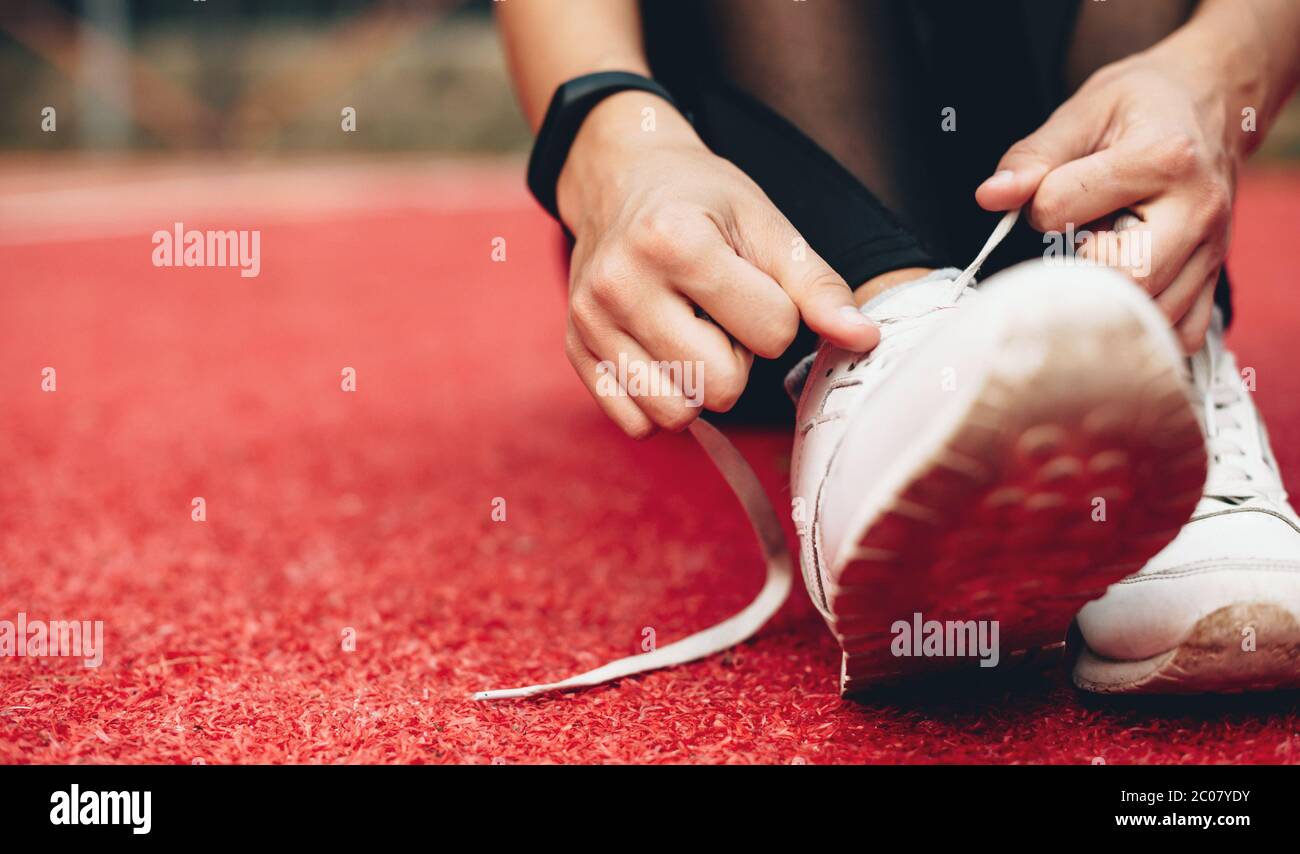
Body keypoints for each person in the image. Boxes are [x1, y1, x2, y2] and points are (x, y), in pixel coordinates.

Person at [490, 0, 1300, 697]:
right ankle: (888, 334)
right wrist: (613, 144)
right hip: (758, 204)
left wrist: (1218, 72)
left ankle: (1141, 329)